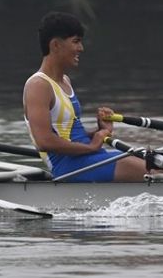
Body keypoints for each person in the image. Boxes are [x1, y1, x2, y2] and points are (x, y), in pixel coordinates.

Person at [22, 12, 150, 182]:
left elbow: (70, 134)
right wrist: (91, 147)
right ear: (55, 45)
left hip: (88, 159)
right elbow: (44, 141)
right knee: (148, 169)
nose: (81, 48)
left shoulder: (65, 81)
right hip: (70, 167)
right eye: (76, 41)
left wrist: (98, 131)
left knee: (154, 161)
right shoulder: (38, 86)